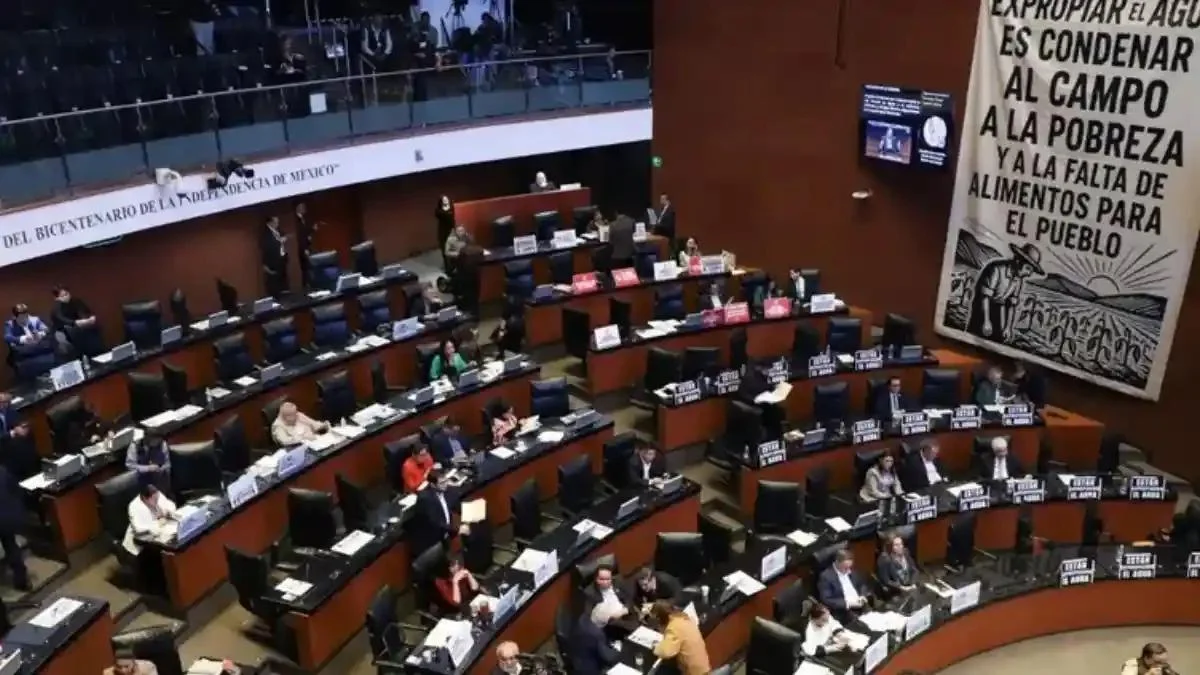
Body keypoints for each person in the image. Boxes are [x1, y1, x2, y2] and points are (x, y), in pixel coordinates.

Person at [966, 242, 1043, 343]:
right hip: (983, 306)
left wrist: (1008, 327)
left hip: (999, 309)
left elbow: (1011, 305)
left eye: (1031, 271)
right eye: (1028, 268)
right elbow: (985, 298)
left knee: (997, 339)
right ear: (1018, 261)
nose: (1028, 274)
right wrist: (986, 321)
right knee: (975, 336)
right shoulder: (996, 269)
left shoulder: (1018, 280)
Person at [651, 600, 710, 675]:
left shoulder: (673, 627)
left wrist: (655, 647)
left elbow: (666, 652)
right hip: (702, 665)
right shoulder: (683, 618)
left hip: (693, 671)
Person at [410, 471, 462, 554]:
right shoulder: (425, 499)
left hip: (446, 531)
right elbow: (435, 522)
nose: (446, 484)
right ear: (433, 485)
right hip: (433, 538)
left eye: (446, 481)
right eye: (442, 483)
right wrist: (457, 529)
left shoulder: (447, 489)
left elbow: (456, 503)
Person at [123, 481, 177, 556]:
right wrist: (159, 523)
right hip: (140, 547)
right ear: (145, 498)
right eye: (155, 500)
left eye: (157, 498)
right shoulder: (134, 507)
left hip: (160, 536)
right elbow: (139, 529)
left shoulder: (156, 494)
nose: (157, 501)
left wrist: (166, 512)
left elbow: (171, 506)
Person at [816, 549, 870, 624]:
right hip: (844, 611)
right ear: (837, 562)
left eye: (849, 567)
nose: (848, 570)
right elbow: (826, 599)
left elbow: (862, 585)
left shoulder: (850, 569)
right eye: (845, 567)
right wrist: (848, 603)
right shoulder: (826, 576)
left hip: (861, 604)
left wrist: (862, 595)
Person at [568, 603, 622, 675]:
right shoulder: (596, 633)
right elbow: (609, 657)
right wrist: (621, 651)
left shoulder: (584, 618)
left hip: (578, 659)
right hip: (590, 669)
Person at [0, 464, 30, 590]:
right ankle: (21, 581)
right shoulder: (2, 470)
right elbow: (17, 490)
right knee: (11, 545)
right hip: (9, 517)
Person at [50, 285, 102, 356]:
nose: (66, 297)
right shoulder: (56, 308)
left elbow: (85, 311)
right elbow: (63, 320)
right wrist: (76, 323)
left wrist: (89, 319)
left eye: (66, 294)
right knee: (72, 333)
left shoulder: (76, 301)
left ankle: (97, 354)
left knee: (92, 331)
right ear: (56, 298)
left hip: (79, 327)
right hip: (63, 331)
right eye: (62, 296)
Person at [260, 216, 289, 297]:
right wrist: (280, 241)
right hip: (273, 261)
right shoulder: (266, 234)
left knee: (283, 280)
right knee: (274, 281)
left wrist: (284, 238)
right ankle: (276, 296)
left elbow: (283, 235)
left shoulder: (277, 230)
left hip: (282, 258)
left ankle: (284, 294)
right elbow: (267, 247)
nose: (277, 224)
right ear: (270, 223)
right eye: (276, 222)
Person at [294, 202, 318, 282]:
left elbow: (305, 232)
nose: (304, 208)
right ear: (298, 208)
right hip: (302, 248)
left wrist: (312, 229)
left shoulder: (304, 218)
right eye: (302, 207)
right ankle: (306, 284)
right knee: (305, 268)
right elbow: (300, 235)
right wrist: (304, 249)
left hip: (307, 246)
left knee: (309, 266)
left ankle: (310, 282)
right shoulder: (295, 220)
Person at [435, 196, 456, 265]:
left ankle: (453, 265)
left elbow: (452, 219)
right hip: (443, 232)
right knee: (444, 250)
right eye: (444, 200)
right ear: (441, 202)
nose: (446, 200)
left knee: (453, 249)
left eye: (446, 199)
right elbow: (442, 215)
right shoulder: (438, 210)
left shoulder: (452, 208)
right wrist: (446, 209)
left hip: (451, 231)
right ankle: (447, 265)